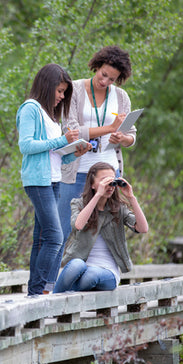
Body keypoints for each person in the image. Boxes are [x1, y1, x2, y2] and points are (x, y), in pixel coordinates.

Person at [57, 45, 137, 276]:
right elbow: (70, 128)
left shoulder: (121, 97)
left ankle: (100, 275)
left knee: (107, 228)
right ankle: (50, 283)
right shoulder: (74, 90)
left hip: (109, 170)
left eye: (112, 79)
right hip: (76, 169)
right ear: (96, 66)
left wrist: (122, 137)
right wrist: (108, 128)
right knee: (63, 227)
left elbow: (132, 135)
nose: (105, 81)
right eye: (103, 74)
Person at [15, 63, 91, 296]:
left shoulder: (50, 116)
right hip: (38, 181)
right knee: (55, 237)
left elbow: (54, 157)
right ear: (46, 86)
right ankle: (40, 291)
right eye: (59, 91)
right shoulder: (31, 108)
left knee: (41, 238)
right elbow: (26, 146)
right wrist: (62, 140)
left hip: (53, 179)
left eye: (64, 93)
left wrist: (73, 152)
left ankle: (36, 290)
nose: (61, 97)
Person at [54, 162, 149, 293]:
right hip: (83, 268)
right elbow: (78, 225)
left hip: (107, 273)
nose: (109, 185)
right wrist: (98, 195)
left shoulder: (119, 209)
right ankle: (55, 300)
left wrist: (131, 197)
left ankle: (62, 297)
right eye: (104, 180)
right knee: (76, 264)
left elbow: (143, 228)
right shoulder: (78, 203)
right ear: (92, 184)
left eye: (112, 180)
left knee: (91, 275)